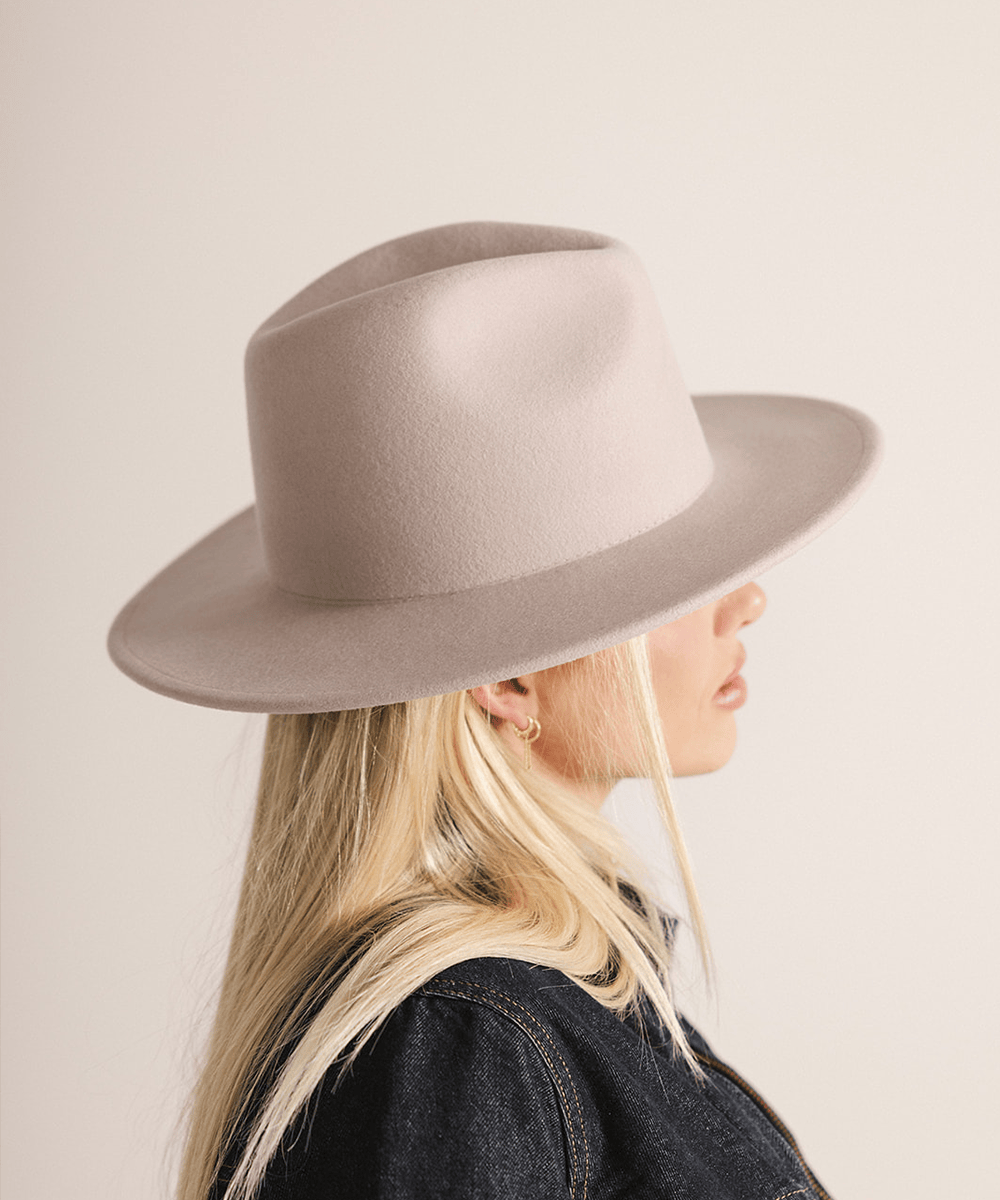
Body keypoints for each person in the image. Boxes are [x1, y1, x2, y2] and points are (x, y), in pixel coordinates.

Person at [107, 221, 882, 1200]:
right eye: (669, 577)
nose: (748, 600)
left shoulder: (527, 1011)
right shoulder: (471, 1043)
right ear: (509, 681)